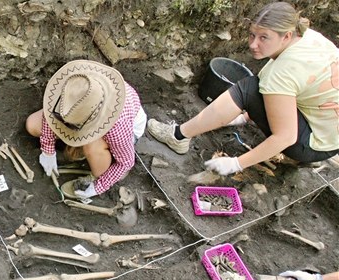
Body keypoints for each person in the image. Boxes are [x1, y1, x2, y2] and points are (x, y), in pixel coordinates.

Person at [147, 1, 338, 175]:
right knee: (264, 87)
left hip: (310, 145)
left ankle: (178, 136)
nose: (253, 44)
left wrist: (236, 163)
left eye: (264, 38)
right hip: (330, 139)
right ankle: (240, 119)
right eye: (252, 35)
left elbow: (286, 137)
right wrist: (245, 116)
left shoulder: (282, 72)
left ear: (286, 35)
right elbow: (300, 89)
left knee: (249, 89)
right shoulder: (310, 38)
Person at [25, 59, 147, 198]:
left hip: (126, 132)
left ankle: (97, 170)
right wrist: (48, 151)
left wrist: (98, 187)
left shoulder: (117, 125)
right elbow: (51, 114)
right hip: (86, 116)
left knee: (92, 148)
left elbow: (126, 162)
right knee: (33, 124)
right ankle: (77, 145)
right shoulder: (77, 84)